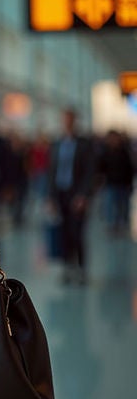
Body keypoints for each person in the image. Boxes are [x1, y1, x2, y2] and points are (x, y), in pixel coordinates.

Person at [48, 108, 97, 284]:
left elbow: (90, 172)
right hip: (61, 192)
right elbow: (51, 171)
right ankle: (68, 268)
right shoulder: (56, 143)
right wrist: (51, 197)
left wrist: (83, 195)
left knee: (77, 232)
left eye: (70, 119)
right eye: (65, 119)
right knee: (64, 232)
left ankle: (82, 268)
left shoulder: (84, 143)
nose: (67, 122)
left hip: (76, 194)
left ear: (75, 121)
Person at [96, 130, 133, 238]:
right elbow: (100, 168)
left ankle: (122, 225)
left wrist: (130, 183)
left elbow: (129, 168)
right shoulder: (106, 152)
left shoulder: (124, 152)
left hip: (123, 183)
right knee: (110, 206)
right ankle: (112, 226)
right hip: (110, 183)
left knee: (123, 206)